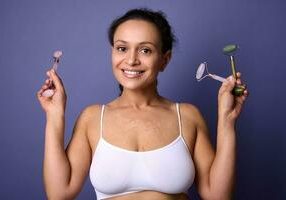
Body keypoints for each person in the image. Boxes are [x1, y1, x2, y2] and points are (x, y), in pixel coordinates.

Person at [37, 8, 248, 200]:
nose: (131, 60)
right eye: (122, 48)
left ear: (164, 60)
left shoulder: (187, 116)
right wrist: (55, 115)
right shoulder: (92, 118)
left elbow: (218, 196)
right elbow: (59, 193)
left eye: (145, 50)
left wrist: (227, 121)